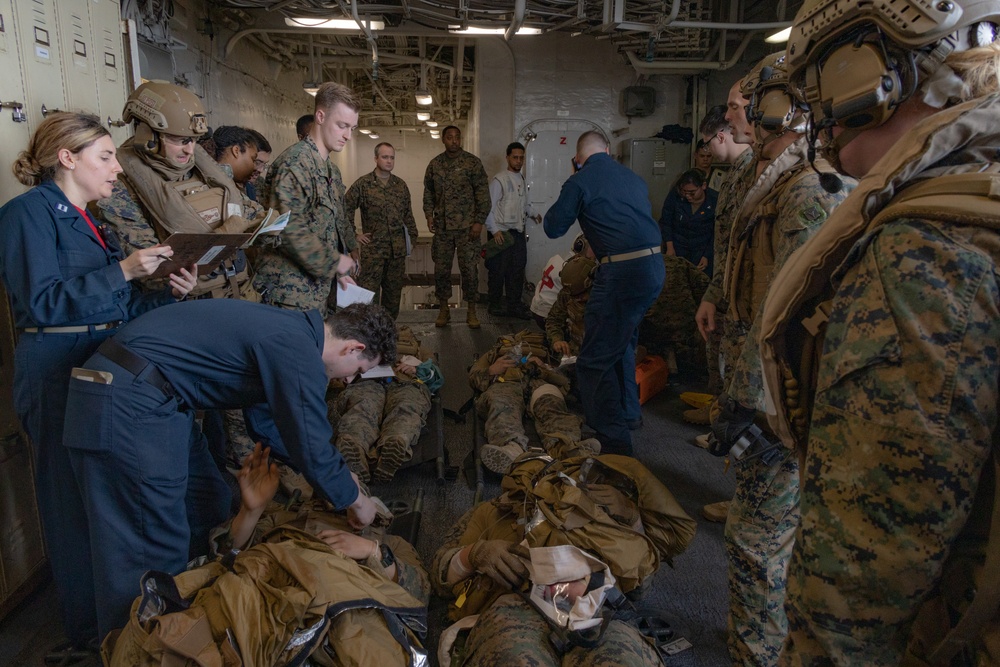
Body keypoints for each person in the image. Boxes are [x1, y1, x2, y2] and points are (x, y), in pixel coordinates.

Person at [757, 3, 1000, 664]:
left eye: (822, 88)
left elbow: (854, 591)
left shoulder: (926, 254)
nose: (820, 122)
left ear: (863, 77)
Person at [61, 299, 396, 638]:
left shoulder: (288, 332)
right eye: (357, 370)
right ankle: (140, 647)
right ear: (354, 348)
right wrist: (355, 500)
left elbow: (269, 428)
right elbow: (311, 442)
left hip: (154, 394)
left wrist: (336, 479)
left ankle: (194, 598)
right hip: (133, 399)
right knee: (149, 542)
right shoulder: (298, 349)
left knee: (207, 498)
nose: (349, 379)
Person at [0, 112, 197, 650]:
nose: (117, 168)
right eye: (106, 157)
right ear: (67, 158)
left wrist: (168, 293)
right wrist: (125, 270)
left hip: (99, 363)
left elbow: (118, 306)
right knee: (68, 502)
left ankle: (122, 624)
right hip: (54, 366)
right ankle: (87, 633)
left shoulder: (94, 222)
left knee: (106, 500)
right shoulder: (26, 215)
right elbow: (40, 302)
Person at [708, 51, 855, 666]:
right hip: (769, 390)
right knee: (763, 534)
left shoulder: (806, 192)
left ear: (782, 108)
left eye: (745, 104)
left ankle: (759, 652)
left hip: (782, 399)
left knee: (757, 543)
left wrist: (751, 404)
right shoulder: (773, 182)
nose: (733, 117)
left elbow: (786, 315)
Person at [104, 443, 429, 665]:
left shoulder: (386, 542)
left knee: (361, 643)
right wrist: (251, 511)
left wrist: (371, 551)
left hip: (337, 591)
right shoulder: (283, 517)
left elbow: (417, 593)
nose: (338, 492)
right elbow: (225, 554)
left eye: (350, 485)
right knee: (182, 635)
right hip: (264, 581)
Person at [430, 453, 697, 666]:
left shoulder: (595, 512)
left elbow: (639, 590)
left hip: (599, 614)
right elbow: (439, 575)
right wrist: (474, 554)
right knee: (513, 658)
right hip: (517, 606)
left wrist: (632, 519)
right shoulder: (491, 511)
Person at [543, 130, 665, 456]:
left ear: (577, 159)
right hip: (653, 269)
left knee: (593, 360)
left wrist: (573, 182)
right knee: (622, 344)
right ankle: (628, 414)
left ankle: (613, 440)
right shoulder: (632, 177)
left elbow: (553, 226)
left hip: (621, 274)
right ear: (608, 151)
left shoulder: (581, 180)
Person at [97, 81, 262, 301]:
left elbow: (252, 212)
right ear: (148, 135)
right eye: (180, 140)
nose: (190, 150)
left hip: (242, 292)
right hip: (187, 304)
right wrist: (228, 232)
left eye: (194, 140)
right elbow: (152, 271)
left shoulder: (205, 170)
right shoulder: (119, 186)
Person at [253, 82, 360, 313]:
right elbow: (288, 228)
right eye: (342, 126)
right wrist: (335, 262)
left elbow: (326, 229)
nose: (348, 136)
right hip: (289, 294)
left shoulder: (330, 170)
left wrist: (337, 273)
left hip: (315, 291)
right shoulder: (295, 163)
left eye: (352, 128)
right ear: (320, 117)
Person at [688, 100, 755, 418]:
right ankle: (720, 414)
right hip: (725, 284)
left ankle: (728, 421)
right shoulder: (730, 176)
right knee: (719, 351)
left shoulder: (753, 173)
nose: (707, 151)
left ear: (720, 136)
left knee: (736, 362)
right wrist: (714, 293)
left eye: (706, 143)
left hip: (742, 291)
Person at [470, 331, 600, 473]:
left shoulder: (548, 354)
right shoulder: (493, 355)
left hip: (539, 381)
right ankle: (512, 449)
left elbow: (566, 378)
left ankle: (565, 447)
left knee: (551, 403)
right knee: (502, 404)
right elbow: (473, 378)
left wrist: (545, 369)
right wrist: (491, 370)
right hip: (506, 383)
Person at [331, 325, 439, 483]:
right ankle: (355, 447)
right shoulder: (363, 347)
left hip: (405, 383)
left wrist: (418, 370)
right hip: (370, 383)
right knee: (365, 406)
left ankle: (392, 444)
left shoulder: (420, 351)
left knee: (402, 407)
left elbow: (436, 376)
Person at [423, 125, 490, 328]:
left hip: (467, 228)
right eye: (450, 137)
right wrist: (428, 215)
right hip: (443, 228)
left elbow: (483, 195)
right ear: (443, 139)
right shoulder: (435, 164)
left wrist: (479, 221)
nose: (454, 141)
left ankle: (471, 310)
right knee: (441, 270)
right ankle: (444, 309)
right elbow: (428, 193)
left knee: (469, 270)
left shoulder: (472, 163)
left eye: (457, 137)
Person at [343, 141, 418, 319]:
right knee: (369, 297)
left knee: (393, 297)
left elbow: (408, 215)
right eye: (385, 157)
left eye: (392, 157)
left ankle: (388, 330)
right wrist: (354, 236)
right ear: (376, 158)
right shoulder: (363, 184)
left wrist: (412, 240)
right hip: (373, 252)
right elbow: (345, 209)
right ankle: (370, 332)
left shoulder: (400, 185)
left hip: (396, 253)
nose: (389, 161)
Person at [484, 141, 540, 318]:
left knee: (517, 270)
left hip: (517, 233)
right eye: (515, 157)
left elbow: (523, 203)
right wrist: (494, 231)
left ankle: (514, 305)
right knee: (498, 271)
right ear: (507, 158)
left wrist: (534, 213)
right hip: (501, 234)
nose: (518, 161)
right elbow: (488, 208)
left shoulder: (521, 179)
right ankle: (494, 305)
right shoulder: (499, 180)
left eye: (521, 158)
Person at [639, 255, 710, 378]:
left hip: (652, 332)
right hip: (687, 327)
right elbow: (705, 286)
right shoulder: (678, 262)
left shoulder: (632, 266)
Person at [659, 169, 718, 275]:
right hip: (678, 247)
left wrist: (707, 255)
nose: (688, 196)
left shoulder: (714, 200)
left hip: (702, 249)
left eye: (692, 193)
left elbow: (716, 231)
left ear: (703, 186)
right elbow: (666, 221)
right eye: (684, 192)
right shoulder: (675, 195)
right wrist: (669, 246)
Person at [545, 254, 598, 360]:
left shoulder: (607, 302)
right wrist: (557, 340)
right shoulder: (568, 294)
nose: (577, 300)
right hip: (573, 354)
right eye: (574, 296)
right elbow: (554, 319)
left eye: (581, 295)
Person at [201, 125, 258, 190]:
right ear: (236, 151)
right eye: (253, 159)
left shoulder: (217, 181)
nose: (255, 167)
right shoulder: (216, 186)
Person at [244, 128, 271, 202]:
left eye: (264, 164)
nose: (261, 170)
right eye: (257, 162)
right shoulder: (225, 187)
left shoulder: (249, 186)